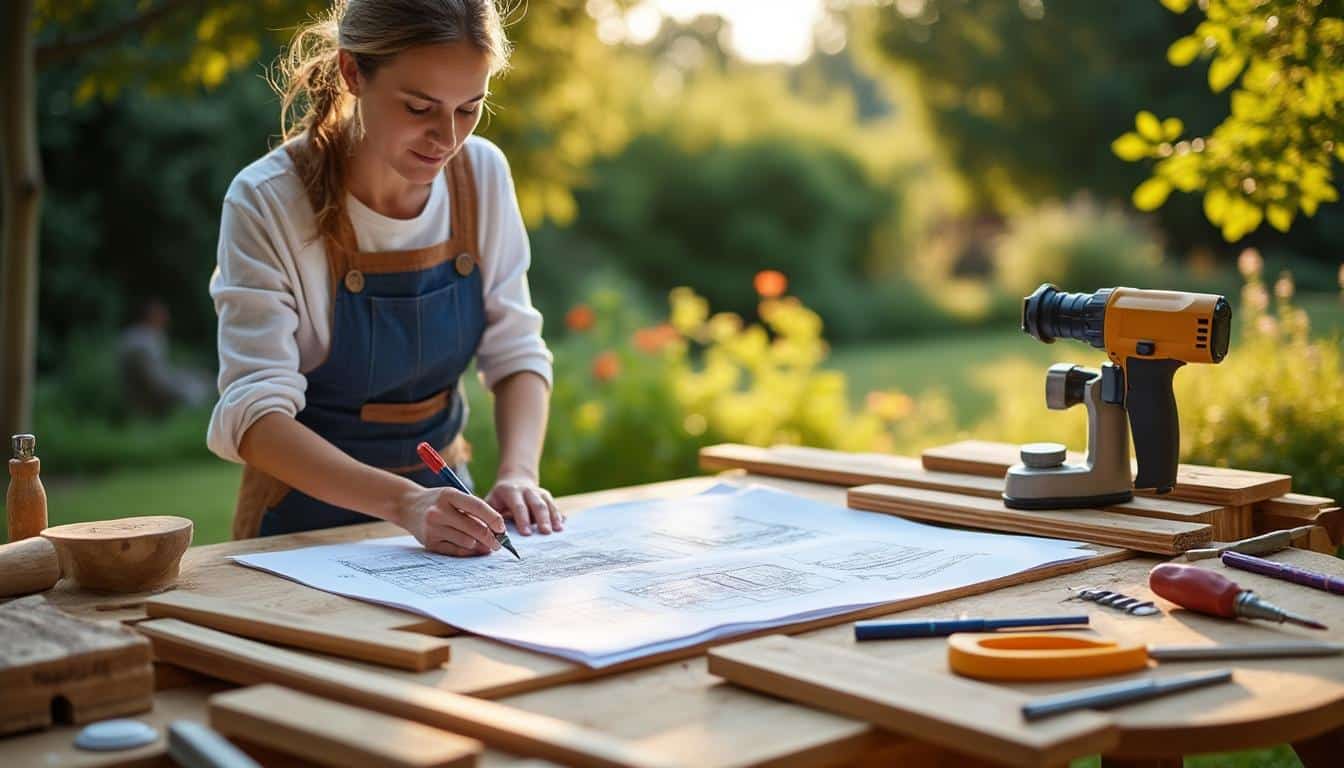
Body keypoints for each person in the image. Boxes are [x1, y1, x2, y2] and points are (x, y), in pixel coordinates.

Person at [207, 0, 562, 555]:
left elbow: (516, 351)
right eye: (420, 107)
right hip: (299, 526)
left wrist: (519, 473)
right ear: (353, 72)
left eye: (469, 109)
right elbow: (254, 415)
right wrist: (404, 503)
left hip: (446, 516)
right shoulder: (267, 201)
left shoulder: (483, 176)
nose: (447, 138)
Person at [119, 299, 211, 419]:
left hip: (138, 392)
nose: (167, 320)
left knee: (199, 378)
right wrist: (184, 381)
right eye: (162, 315)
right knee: (198, 386)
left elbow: (160, 371)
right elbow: (157, 381)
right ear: (151, 316)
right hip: (151, 393)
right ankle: (192, 423)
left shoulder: (133, 336)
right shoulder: (144, 341)